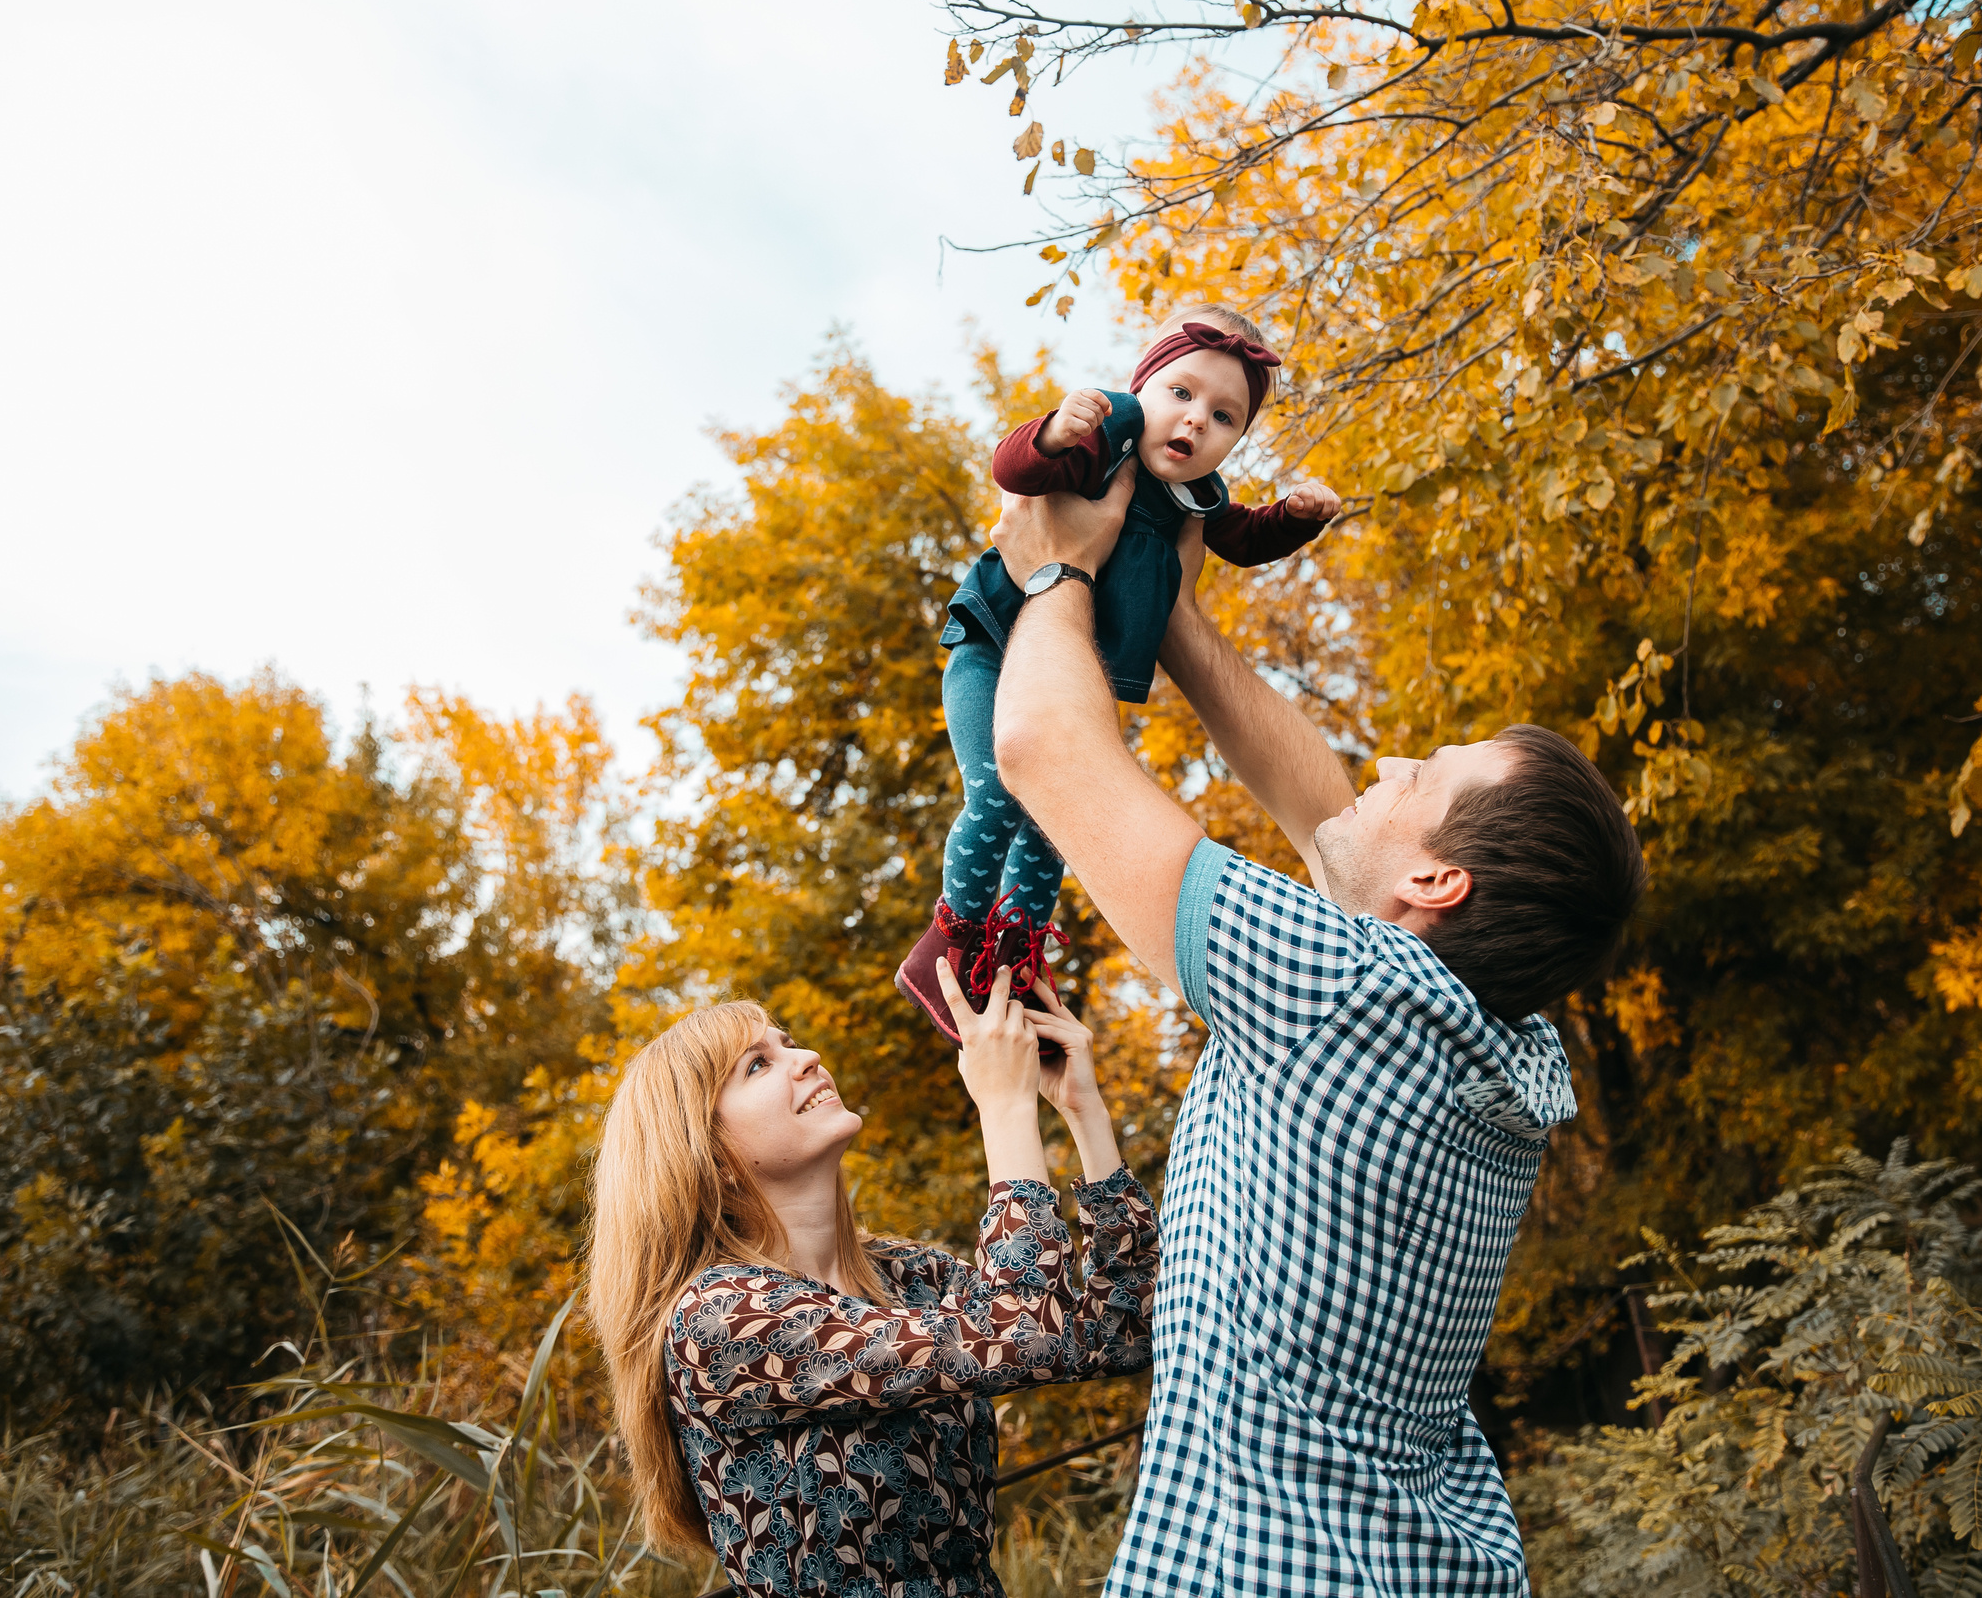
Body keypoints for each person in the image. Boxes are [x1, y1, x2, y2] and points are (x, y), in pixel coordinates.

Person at [982, 466, 1648, 1595]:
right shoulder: (1501, 1046)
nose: (1386, 767)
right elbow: (1335, 821)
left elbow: (1045, 745)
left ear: (1438, 879)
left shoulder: (1342, 990)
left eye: (1424, 774)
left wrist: (1055, 566)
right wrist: (1176, 601)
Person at [588, 962, 1157, 1598]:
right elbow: (1026, 1329)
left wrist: (1085, 1115)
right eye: (757, 1064)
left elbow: (1118, 1332)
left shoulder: (901, 1272)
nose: (806, 1057)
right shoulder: (721, 1319)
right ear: (709, 1156)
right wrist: (1004, 1107)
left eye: (788, 1042)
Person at [895, 304, 1342, 1043]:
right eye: (1182, 393)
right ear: (1146, 383)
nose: (1196, 421)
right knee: (1002, 789)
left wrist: (1294, 515)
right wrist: (1052, 433)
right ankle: (950, 942)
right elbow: (1012, 468)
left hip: (1067, 681)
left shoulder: (1201, 497)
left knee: (1052, 822)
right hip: (994, 648)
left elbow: (1245, 539)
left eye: (1225, 416)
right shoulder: (1107, 439)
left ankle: (1014, 962)